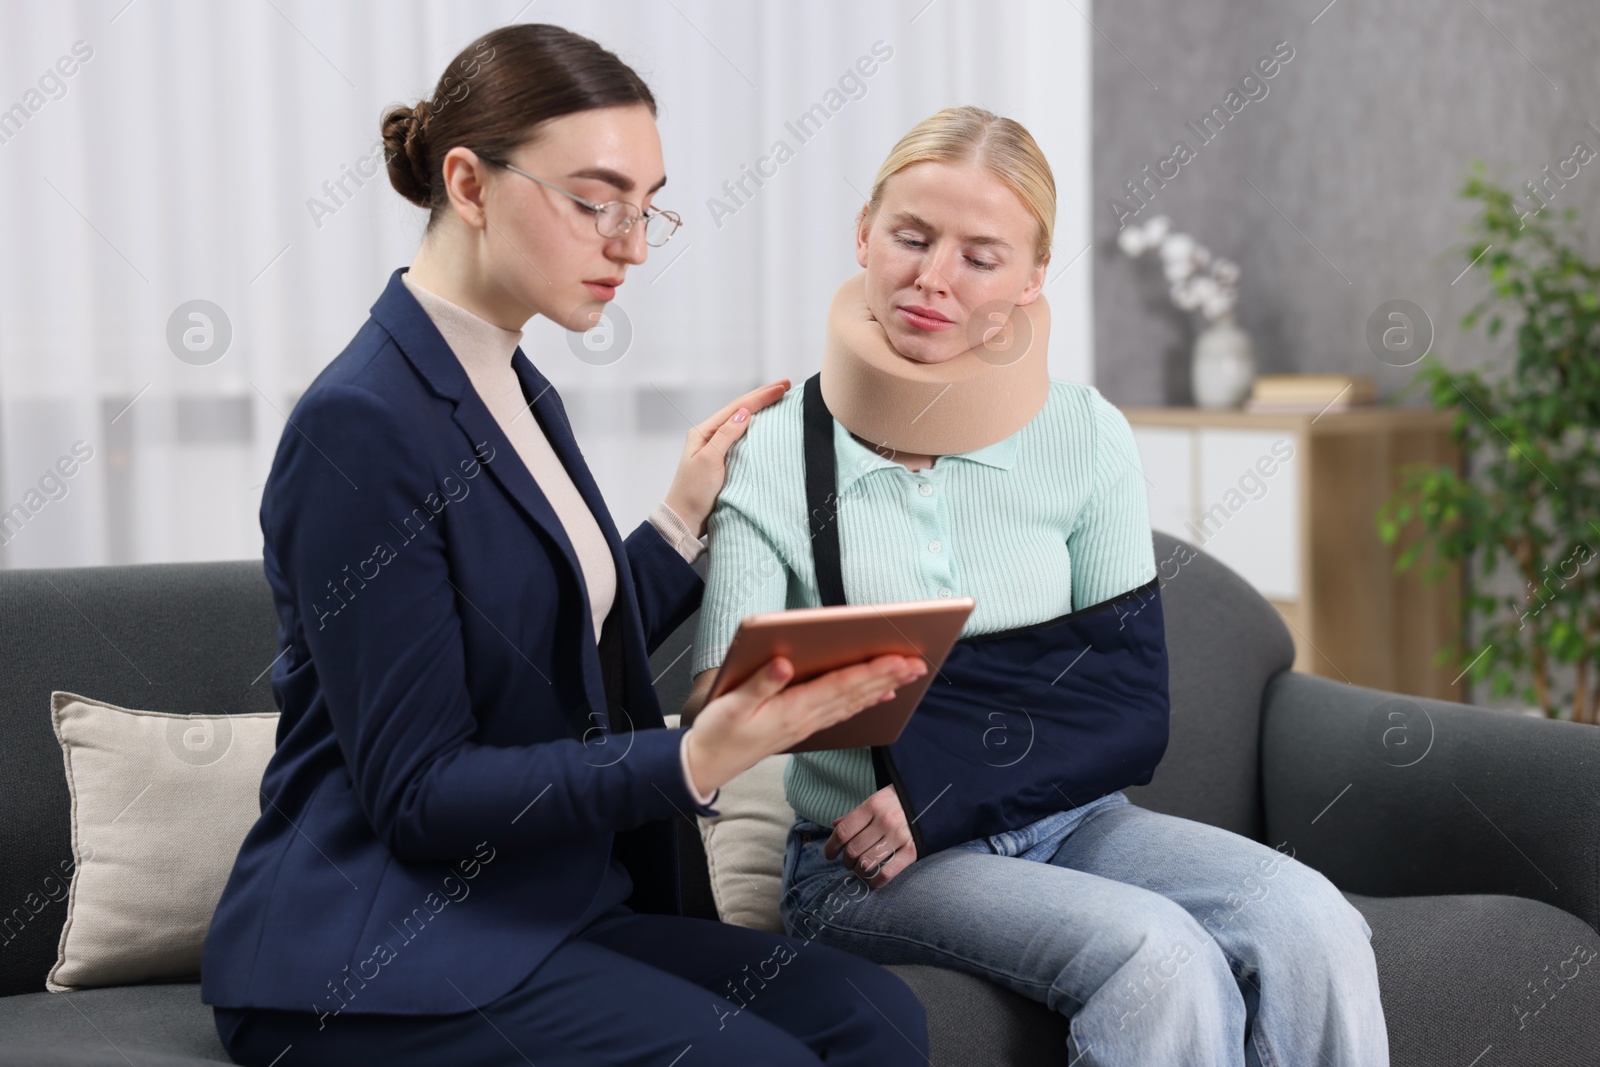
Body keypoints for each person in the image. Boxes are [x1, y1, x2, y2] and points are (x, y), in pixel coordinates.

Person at [200, 24, 932, 1067]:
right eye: (596, 202)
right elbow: (419, 792)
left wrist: (680, 522)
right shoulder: (359, 423)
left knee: (873, 1014)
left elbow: (535, 628)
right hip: (374, 952)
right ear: (468, 182)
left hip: (537, 911)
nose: (631, 243)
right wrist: (698, 752)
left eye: (646, 206)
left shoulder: (514, 382)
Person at [685, 106, 1389, 1066]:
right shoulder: (776, 447)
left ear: (1031, 281)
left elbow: (1130, 702)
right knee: (1158, 958)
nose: (934, 278)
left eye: (981, 256)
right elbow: (733, 701)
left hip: (1074, 819)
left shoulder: (1084, 432)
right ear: (863, 234)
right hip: (867, 860)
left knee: (1313, 918)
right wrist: (694, 515)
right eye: (911, 236)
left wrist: (939, 776)